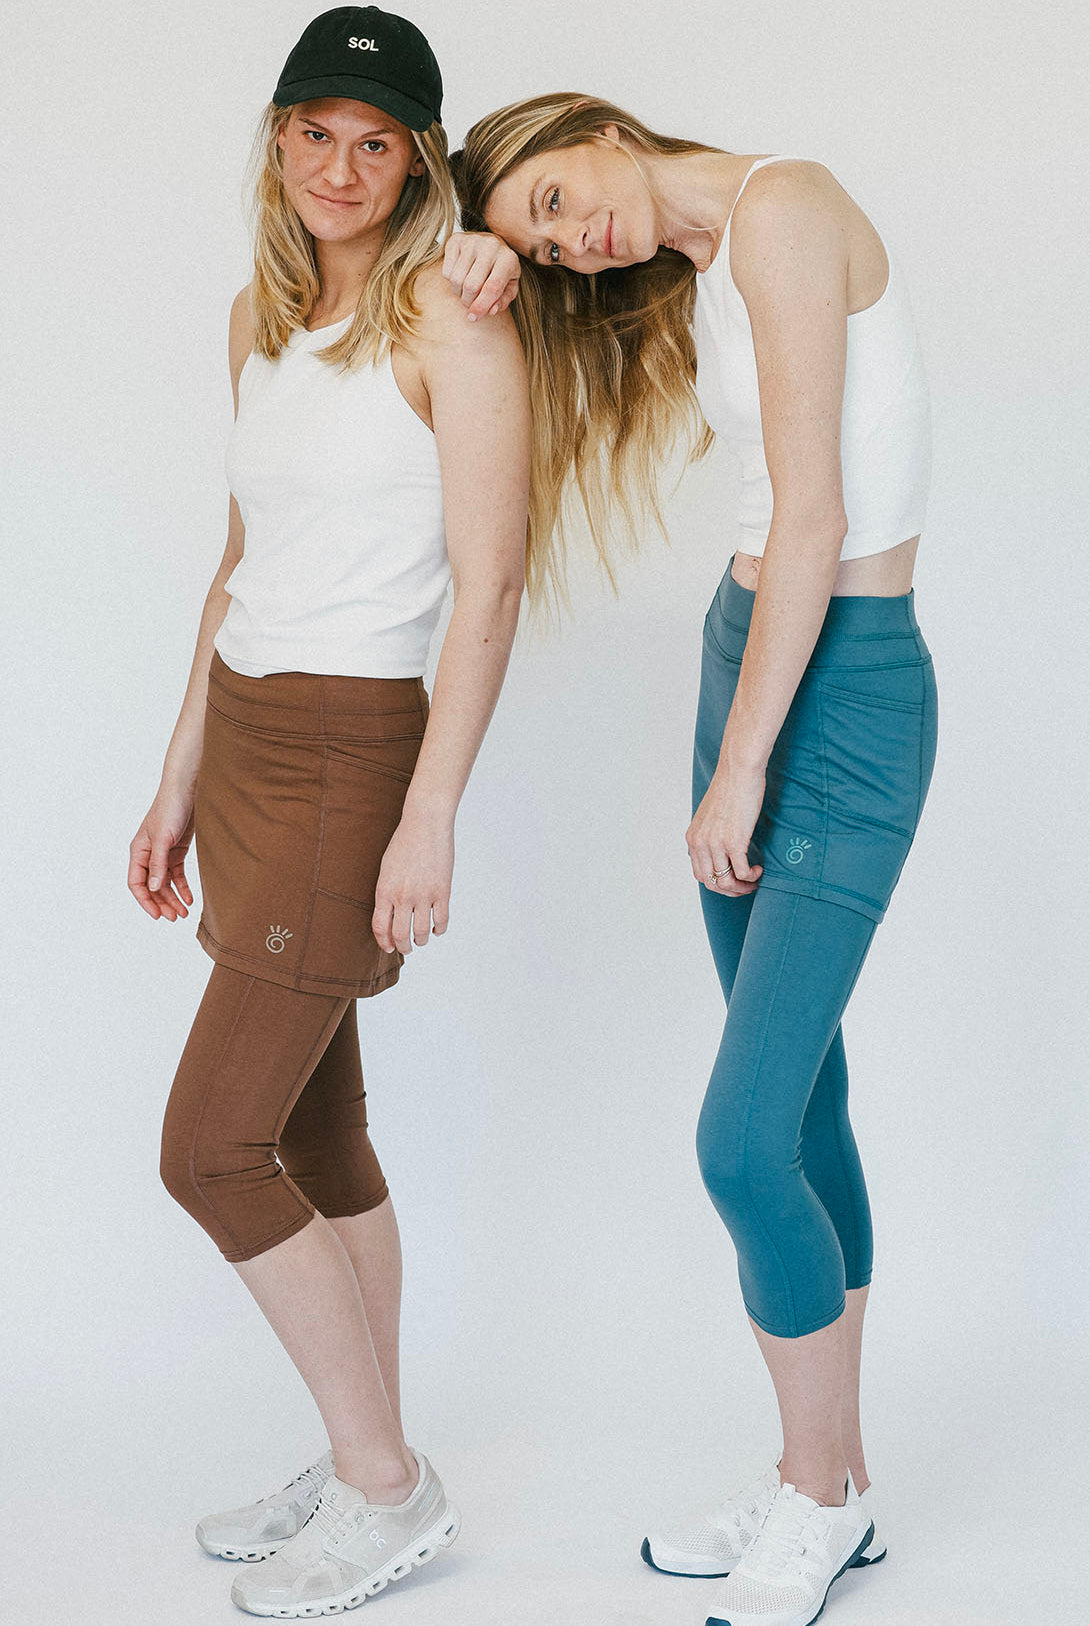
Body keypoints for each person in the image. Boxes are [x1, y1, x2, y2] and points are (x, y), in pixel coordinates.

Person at [445, 93, 938, 1626]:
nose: (573, 240)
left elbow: (818, 515)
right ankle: (827, 1479)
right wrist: (468, 261)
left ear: (590, 125)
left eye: (551, 198)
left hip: (839, 693)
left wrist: (739, 766)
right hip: (756, 657)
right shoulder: (712, 253)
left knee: (740, 1142)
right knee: (802, 1101)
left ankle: (816, 1494)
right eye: (541, 246)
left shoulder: (782, 207)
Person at [126, 10, 530, 1616]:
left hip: (349, 749)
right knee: (310, 1130)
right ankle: (369, 1446)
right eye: (316, 133)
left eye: (377, 143)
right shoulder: (259, 316)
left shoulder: (455, 322)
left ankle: (383, 1486)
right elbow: (241, 559)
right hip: (242, 735)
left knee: (209, 1148)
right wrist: (174, 775)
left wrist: (430, 811)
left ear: (418, 164)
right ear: (278, 139)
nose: (340, 169)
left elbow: (490, 587)